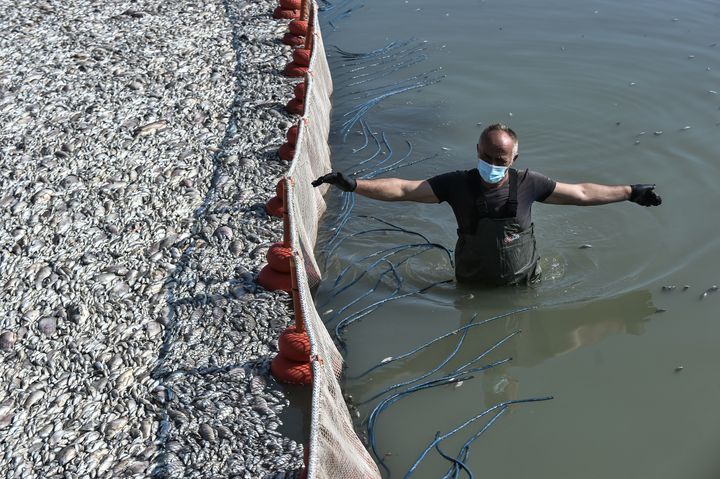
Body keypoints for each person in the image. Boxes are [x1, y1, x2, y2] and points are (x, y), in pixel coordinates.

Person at [312, 124, 662, 286]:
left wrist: (630, 191)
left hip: (525, 284)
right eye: (486, 155)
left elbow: (582, 193)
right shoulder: (455, 184)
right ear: (477, 152)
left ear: (514, 157)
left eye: (501, 158)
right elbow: (404, 189)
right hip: (471, 284)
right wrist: (354, 185)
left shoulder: (530, 184)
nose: (492, 162)